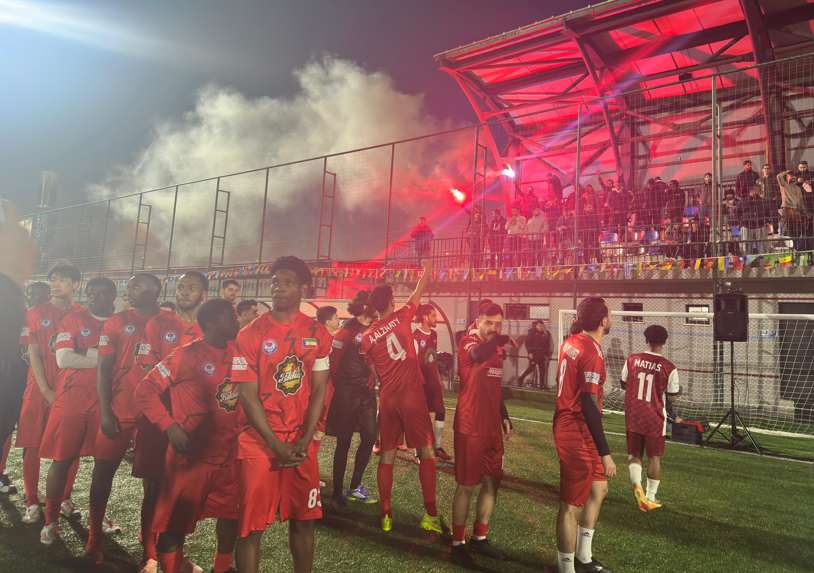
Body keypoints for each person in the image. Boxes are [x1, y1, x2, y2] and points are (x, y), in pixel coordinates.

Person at [232, 256, 331, 573]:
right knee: (250, 528)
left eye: (288, 282)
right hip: (258, 443)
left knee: (304, 522)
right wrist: (275, 445)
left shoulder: (318, 333)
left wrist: (305, 438)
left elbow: (319, 390)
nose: (279, 287)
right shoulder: (250, 334)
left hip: (301, 443)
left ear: (304, 288)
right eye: (275, 281)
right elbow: (246, 394)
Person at [135, 298, 241, 573]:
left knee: (231, 518)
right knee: (174, 526)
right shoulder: (184, 355)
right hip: (190, 459)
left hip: (229, 457)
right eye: (231, 317)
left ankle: (221, 569)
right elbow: (144, 391)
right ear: (211, 325)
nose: (237, 321)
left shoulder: (239, 354)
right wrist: (170, 427)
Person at [362, 259, 446, 534]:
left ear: (374, 306)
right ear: (392, 301)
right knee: (427, 450)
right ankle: (430, 515)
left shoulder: (367, 336)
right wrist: (426, 270)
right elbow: (419, 291)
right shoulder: (403, 316)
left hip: (387, 397)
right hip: (411, 394)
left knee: (387, 455)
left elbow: (375, 372)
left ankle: (386, 515)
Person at [86, 272, 163, 568]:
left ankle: (150, 548)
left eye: (136, 286)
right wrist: (106, 412)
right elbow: (103, 369)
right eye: (129, 287)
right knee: (101, 475)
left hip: (155, 414)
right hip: (119, 410)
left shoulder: (170, 323)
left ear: (154, 290)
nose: (129, 291)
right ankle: (94, 539)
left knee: (153, 483)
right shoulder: (116, 322)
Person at [135, 271, 209, 570]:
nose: (184, 292)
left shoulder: (209, 327)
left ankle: (173, 555)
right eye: (180, 287)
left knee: (181, 491)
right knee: (153, 486)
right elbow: (147, 367)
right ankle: (149, 555)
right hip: (158, 417)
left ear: (204, 294)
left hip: (193, 422)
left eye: (191, 287)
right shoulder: (158, 324)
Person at [39, 277, 117, 545]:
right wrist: (104, 357)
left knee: (103, 465)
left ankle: (99, 518)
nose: (93, 298)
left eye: (101, 294)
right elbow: (63, 359)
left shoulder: (121, 323)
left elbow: (124, 361)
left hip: (106, 404)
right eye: (90, 294)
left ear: (113, 297)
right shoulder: (73, 319)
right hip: (70, 400)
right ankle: (50, 520)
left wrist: (85, 352)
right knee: (61, 460)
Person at [17, 260, 83, 525]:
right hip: (38, 387)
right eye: (53, 279)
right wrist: (45, 389)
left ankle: (65, 498)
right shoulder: (35, 312)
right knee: (32, 445)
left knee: (70, 448)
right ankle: (32, 502)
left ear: (75, 284)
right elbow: (32, 352)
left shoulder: (84, 315)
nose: (56, 284)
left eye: (63, 279)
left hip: (72, 390)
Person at [554, 297, 616, 573]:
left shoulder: (573, 341)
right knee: (571, 505)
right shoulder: (591, 351)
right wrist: (606, 453)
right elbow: (589, 405)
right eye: (610, 313)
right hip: (575, 429)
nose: (612, 317)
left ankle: (584, 558)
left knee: (599, 489)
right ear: (603, 321)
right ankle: (567, 569)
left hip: (581, 426)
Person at [450, 303, 513, 567]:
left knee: (492, 482)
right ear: (477, 322)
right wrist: (499, 339)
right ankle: (458, 544)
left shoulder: (494, 346)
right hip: (470, 426)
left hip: (491, 428)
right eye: (488, 323)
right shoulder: (468, 343)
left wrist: (504, 416)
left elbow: (493, 384)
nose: (494, 328)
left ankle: (479, 537)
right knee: (466, 485)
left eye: (498, 324)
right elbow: (478, 354)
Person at [324, 291, 379, 513]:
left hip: (367, 393)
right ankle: (337, 494)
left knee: (369, 437)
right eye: (374, 304)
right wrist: (342, 387)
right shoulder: (347, 330)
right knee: (344, 443)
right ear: (365, 306)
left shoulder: (376, 327)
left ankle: (355, 487)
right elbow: (333, 362)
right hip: (346, 394)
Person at [620, 325, 680, 513]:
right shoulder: (669, 367)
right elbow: (672, 397)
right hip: (654, 417)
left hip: (633, 414)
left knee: (634, 454)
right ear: (664, 342)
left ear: (646, 339)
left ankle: (637, 486)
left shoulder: (632, 359)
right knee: (654, 458)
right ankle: (650, 497)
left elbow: (624, 384)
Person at [0, 281, 49, 496]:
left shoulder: (53, 320)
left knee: (32, 439)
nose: (35, 297)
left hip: (37, 387)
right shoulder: (15, 318)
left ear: (48, 295)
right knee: (3, 432)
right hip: (10, 385)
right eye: (31, 294)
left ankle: (32, 488)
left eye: (40, 294)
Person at [413, 304, 451, 462]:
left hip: (433, 382)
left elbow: (432, 358)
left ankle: (437, 447)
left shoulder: (434, 334)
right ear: (425, 317)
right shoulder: (415, 336)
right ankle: (418, 452)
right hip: (420, 384)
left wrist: (439, 379)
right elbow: (413, 363)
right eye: (434, 315)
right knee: (421, 417)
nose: (436, 318)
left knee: (440, 411)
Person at [734, 185, 772, 254]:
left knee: (762, 247)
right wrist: (740, 221)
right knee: (746, 248)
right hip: (747, 226)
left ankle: (762, 261)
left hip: (761, 226)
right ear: (751, 191)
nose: (759, 191)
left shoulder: (763, 201)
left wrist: (766, 221)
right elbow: (735, 212)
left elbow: (768, 212)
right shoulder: (743, 201)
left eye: (760, 190)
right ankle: (747, 261)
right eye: (757, 190)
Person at [518, 321, 552, 390]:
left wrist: (546, 355)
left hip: (541, 355)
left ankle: (542, 385)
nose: (541, 327)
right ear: (536, 326)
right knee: (531, 368)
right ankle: (520, 379)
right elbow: (527, 343)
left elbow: (545, 345)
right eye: (539, 326)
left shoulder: (543, 334)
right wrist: (530, 352)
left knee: (542, 370)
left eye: (542, 326)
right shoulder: (532, 332)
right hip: (534, 355)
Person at [777, 169, 806, 246]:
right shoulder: (785, 185)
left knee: (797, 229)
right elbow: (779, 176)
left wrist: (802, 211)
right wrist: (786, 172)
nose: (794, 180)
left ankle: (796, 246)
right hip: (787, 208)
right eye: (792, 178)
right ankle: (789, 246)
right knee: (788, 229)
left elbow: (800, 200)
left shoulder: (798, 188)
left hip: (796, 210)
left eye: (795, 178)